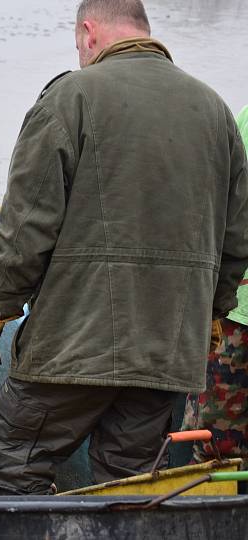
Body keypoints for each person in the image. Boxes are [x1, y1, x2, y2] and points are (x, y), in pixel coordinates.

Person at [0, 0, 248, 495]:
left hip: (73, 344)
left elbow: (27, 223)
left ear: (90, 32)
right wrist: (212, 311)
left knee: (15, 463)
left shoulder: (70, 97)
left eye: (79, 44)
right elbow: (238, 238)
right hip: (167, 351)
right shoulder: (216, 111)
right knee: (128, 483)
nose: (80, 54)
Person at [181, 105, 248, 465]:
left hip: (235, 309)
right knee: (216, 444)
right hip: (236, 309)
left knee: (215, 446)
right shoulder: (243, 119)